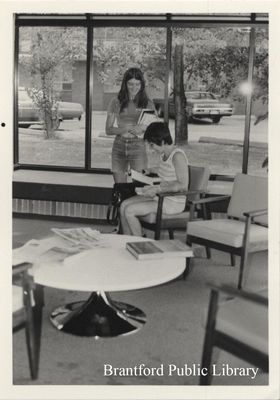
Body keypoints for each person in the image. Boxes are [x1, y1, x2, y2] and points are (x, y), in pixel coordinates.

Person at [120, 122, 189, 236]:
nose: (151, 149)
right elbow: (165, 169)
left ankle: (140, 243)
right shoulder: (164, 155)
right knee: (123, 206)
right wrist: (149, 170)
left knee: (129, 211)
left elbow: (182, 185)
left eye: (152, 145)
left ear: (162, 142)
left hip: (171, 202)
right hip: (160, 197)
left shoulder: (178, 156)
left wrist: (158, 189)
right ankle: (126, 241)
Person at [105, 68, 155, 183]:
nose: (134, 88)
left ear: (142, 84)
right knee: (120, 189)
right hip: (119, 146)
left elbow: (153, 130)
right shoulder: (116, 102)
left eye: (137, 84)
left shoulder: (148, 103)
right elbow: (108, 130)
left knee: (139, 186)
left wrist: (144, 128)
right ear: (125, 84)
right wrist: (126, 129)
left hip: (138, 146)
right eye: (130, 84)